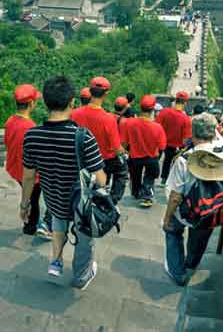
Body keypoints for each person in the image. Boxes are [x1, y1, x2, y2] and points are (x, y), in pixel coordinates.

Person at [21, 76, 107, 289]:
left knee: (58, 227)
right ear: (72, 102)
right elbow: (101, 177)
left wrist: (25, 204)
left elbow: (29, 176)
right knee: (84, 238)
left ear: (45, 102)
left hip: (53, 197)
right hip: (80, 203)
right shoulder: (83, 137)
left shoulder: (32, 135)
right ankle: (81, 276)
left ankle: (56, 261)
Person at [162, 113, 223, 286]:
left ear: (193, 132)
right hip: (209, 212)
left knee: (173, 232)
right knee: (200, 240)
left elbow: (175, 196)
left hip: (183, 211)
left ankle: (177, 272)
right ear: (214, 132)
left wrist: (167, 218)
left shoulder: (185, 159)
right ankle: (190, 266)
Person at [71, 76, 128, 205]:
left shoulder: (74, 113)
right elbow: (116, 147)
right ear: (106, 94)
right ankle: (111, 202)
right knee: (122, 173)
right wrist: (124, 152)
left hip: (80, 160)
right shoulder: (108, 118)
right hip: (103, 163)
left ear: (90, 91)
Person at [4, 84, 51, 237]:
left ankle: (29, 220)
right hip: (29, 174)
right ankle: (30, 227)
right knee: (34, 199)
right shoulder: (31, 127)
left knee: (30, 197)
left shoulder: (10, 121)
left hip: (15, 169)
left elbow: (8, 143)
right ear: (31, 103)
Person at [121, 95, 166, 207]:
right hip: (151, 157)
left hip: (135, 156)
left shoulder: (130, 123)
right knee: (150, 175)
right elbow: (162, 146)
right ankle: (146, 195)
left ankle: (136, 192)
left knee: (135, 175)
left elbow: (125, 143)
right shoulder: (157, 127)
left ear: (140, 108)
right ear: (152, 110)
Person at [156, 91, 192, 185]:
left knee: (166, 160)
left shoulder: (164, 112)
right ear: (185, 103)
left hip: (162, 142)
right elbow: (185, 139)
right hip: (176, 145)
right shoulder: (185, 119)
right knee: (173, 162)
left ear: (175, 100)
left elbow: (156, 127)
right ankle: (170, 180)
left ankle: (163, 178)